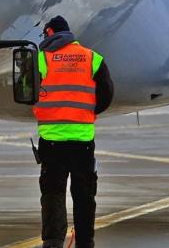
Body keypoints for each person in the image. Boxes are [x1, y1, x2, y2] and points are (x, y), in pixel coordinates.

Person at [34, 16, 114, 248]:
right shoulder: (92, 58)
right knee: (84, 195)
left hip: (52, 140)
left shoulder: (42, 59)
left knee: (53, 193)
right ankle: (85, 242)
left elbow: (27, 89)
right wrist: (87, 112)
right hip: (82, 140)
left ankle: (53, 242)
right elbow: (107, 93)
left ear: (50, 33)